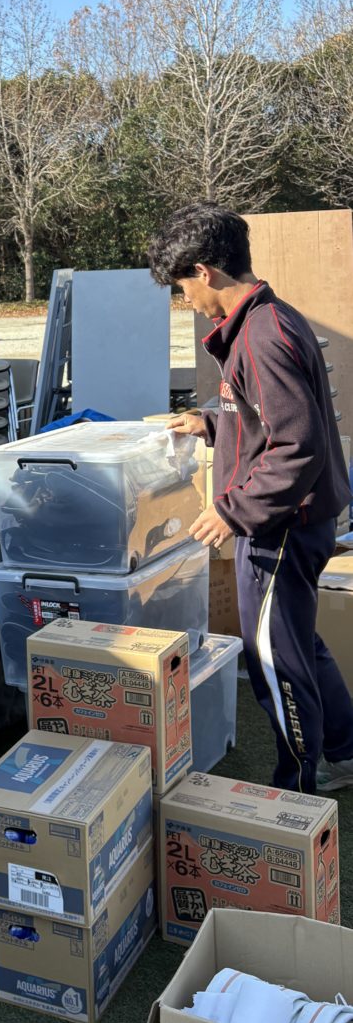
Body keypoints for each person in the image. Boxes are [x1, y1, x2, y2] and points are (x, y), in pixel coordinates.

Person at [148, 202, 353, 794]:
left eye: (182, 287)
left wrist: (232, 510)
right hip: (291, 520)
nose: (186, 300)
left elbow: (297, 445)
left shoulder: (262, 334)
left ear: (205, 271)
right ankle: (345, 749)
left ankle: (297, 787)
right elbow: (267, 416)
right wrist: (211, 423)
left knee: (274, 660)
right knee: (296, 642)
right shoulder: (269, 318)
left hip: (280, 527)